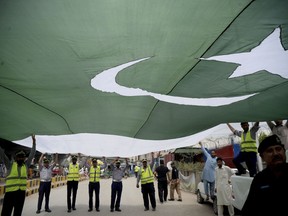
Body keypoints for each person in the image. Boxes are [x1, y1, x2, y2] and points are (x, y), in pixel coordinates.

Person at [241, 134, 288, 216]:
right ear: (262, 157)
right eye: (270, 151)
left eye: (278, 149)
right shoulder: (259, 179)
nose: (275, 153)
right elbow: (248, 210)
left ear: (284, 151)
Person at [0, 134, 36, 216]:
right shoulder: (10, 165)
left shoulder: (26, 166)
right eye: (19, 157)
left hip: (21, 194)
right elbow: (2, 154)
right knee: (6, 213)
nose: (21, 158)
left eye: (22, 157)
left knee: (18, 213)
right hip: (10, 194)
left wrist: (34, 143)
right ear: (16, 157)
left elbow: (32, 154)